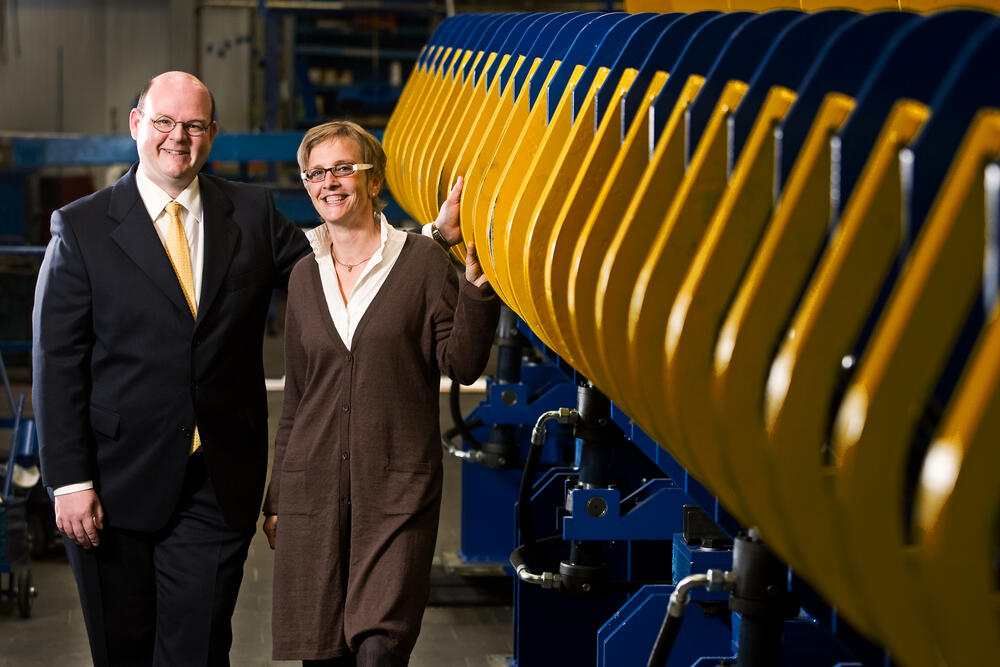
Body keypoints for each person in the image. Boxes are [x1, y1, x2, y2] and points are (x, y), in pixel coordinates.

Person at [261, 120, 500, 666]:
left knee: (380, 648)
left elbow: (461, 364)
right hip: (312, 493)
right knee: (321, 653)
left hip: (394, 492)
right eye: (316, 173)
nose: (330, 182)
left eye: (345, 168)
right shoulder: (302, 276)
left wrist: (477, 292)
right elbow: (298, 398)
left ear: (375, 183)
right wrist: (278, 496)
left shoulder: (421, 263)